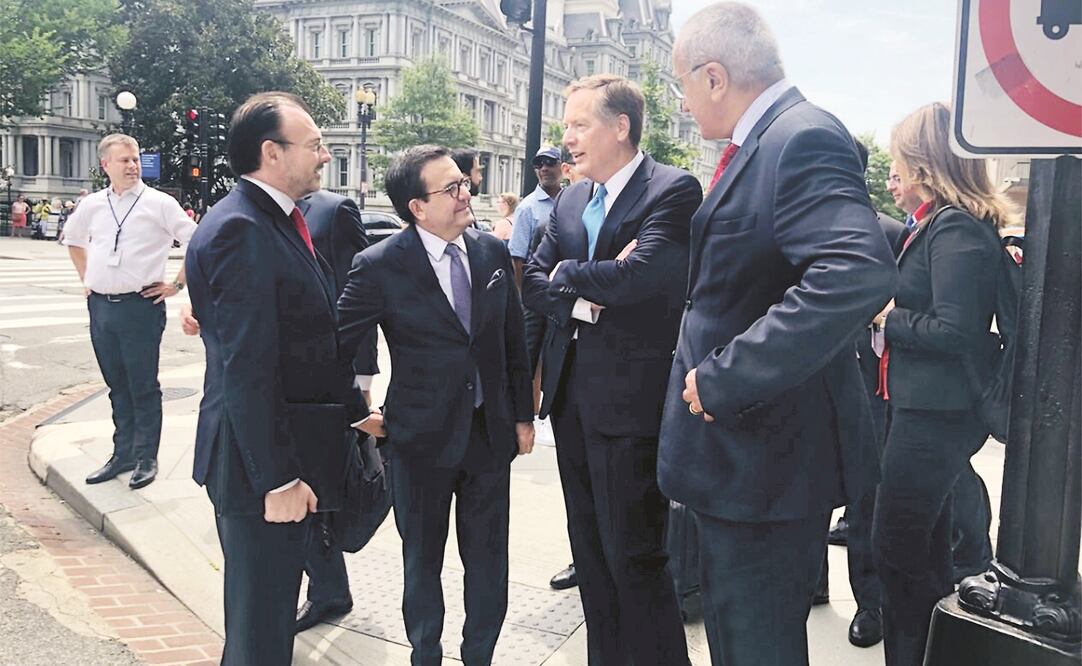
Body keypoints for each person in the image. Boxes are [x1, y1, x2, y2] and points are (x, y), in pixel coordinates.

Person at [658, 4, 898, 665]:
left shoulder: (802, 136)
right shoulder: (766, 143)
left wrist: (725, 376)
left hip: (763, 465)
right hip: (746, 463)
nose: (684, 101)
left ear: (714, 76)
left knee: (755, 647)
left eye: (683, 83)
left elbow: (855, 273)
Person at [522, 74, 701, 666]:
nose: (566, 138)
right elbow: (531, 282)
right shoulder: (570, 198)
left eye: (578, 124)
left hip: (632, 407)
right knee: (591, 553)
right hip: (571, 404)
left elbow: (644, 277)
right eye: (565, 125)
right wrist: (585, 291)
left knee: (635, 556)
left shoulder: (672, 191)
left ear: (620, 127)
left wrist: (568, 275)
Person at [184, 92, 366, 665]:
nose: (324, 155)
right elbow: (249, 365)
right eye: (313, 145)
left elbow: (303, 339)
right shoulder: (243, 229)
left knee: (262, 628)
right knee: (261, 637)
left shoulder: (274, 221)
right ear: (271, 152)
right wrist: (279, 478)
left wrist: (356, 409)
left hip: (279, 455)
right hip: (259, 470)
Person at [337, 144, 535, 666]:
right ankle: (425, 653)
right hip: (418, 441)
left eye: (464, 183)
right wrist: (357, 413)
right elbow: (333, 346)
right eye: (451, 189)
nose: (466, 192)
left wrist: (521, 415)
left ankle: (479, 657)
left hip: (489, 437)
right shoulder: (379, 265)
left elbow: (513, 340)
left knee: (489, 562)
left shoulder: (491, 252)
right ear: (416, 207)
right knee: (421, 561)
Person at [871, 101, 1010, 666]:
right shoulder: (947, 225)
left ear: (924, 163)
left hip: (937, 414)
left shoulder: (953, 228)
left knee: (895, 550)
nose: (895, 170)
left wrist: (886, 318)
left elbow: (956, 330)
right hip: (927, 409)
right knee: (922, 551)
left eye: (901, 159)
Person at [63, 134, 197, 490]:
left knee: (142, 386)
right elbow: (73, 240)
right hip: (101, 307)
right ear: (105, 165)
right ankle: (121, 453)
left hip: (141, 307)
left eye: (135, 159)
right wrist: (86, 277)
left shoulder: (159, 203)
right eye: (124, 160)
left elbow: (198, 242)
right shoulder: (92, 204)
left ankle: (145, 458)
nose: (132, 165)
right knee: (116, 385)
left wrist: (177, 285)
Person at [816, 140, 910, 648]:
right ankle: (811, 581)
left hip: (870, 383)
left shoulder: (893, 232)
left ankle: (869, 600)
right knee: (805, 480)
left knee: (864, 494)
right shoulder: (801, 225)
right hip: (808, 375)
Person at [293, 188, 375, 633]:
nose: (322, 154)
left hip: (331, 379)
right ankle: (328, 587)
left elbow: (358, 292)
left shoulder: (334, 211)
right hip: (287, 381)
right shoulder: (262, 212)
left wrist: (362, 375)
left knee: (324, 490)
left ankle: (327, 591)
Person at [508, 146, 564, 287]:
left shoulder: (572, 200)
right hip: (538, 289)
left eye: (549, 162)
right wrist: (521, 298)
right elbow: (517, 258)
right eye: (539, 164)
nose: (544, 168)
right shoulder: (526, 208)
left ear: (562, 166)